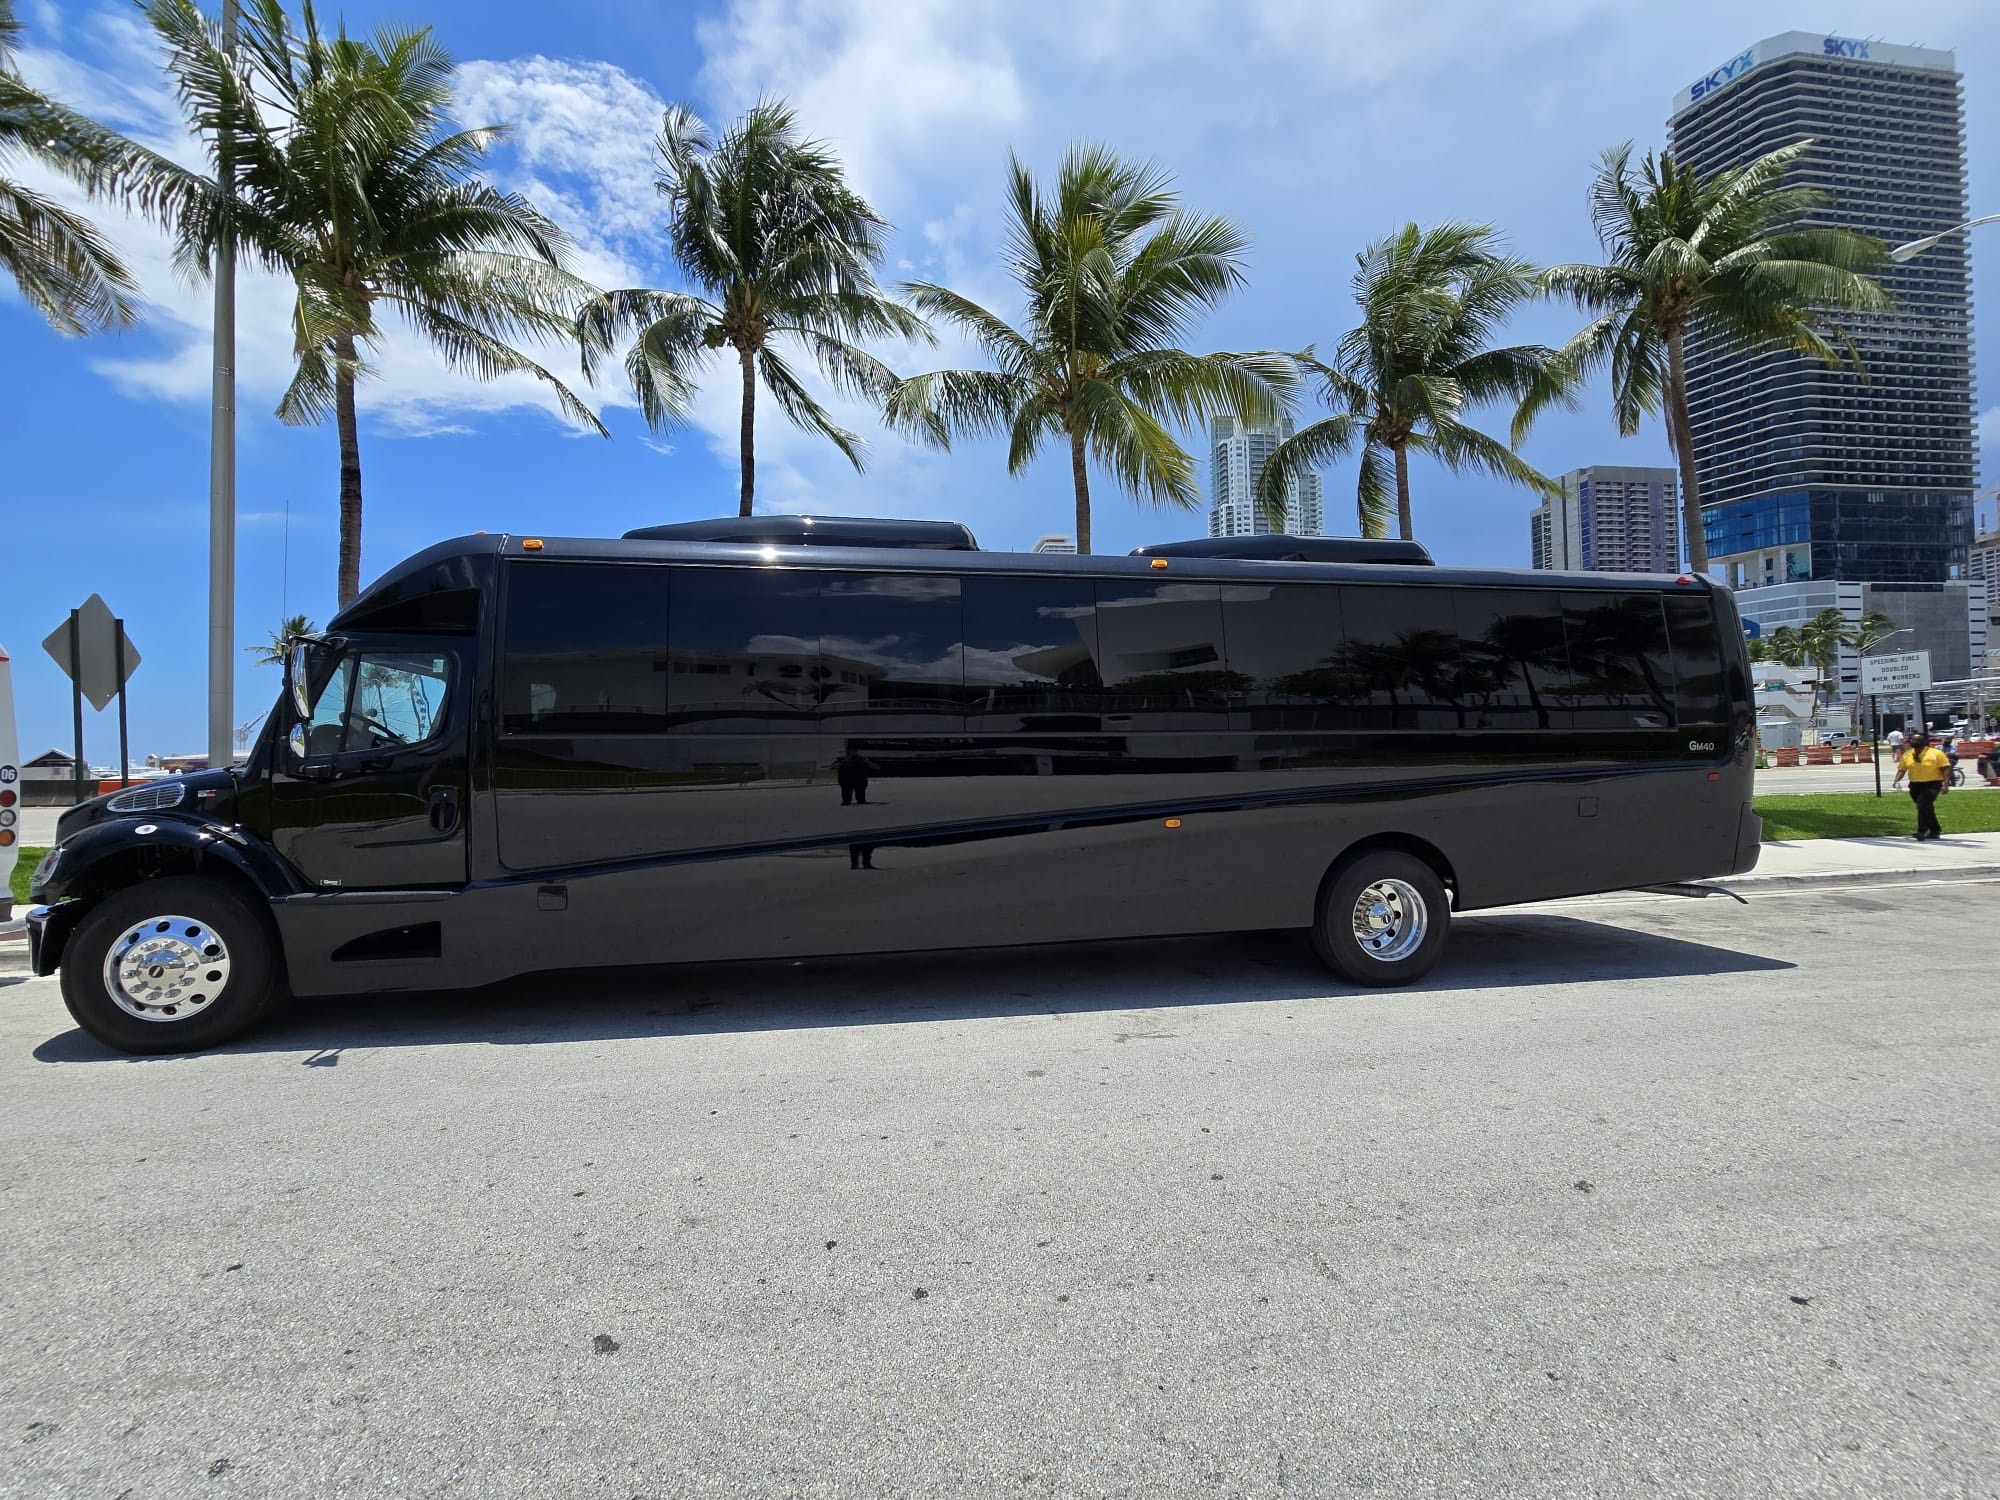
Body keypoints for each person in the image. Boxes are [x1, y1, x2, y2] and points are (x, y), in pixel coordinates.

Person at [1891, 730, 1951, 841]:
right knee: (1926, 808)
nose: (1914, 741)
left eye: (1917, 740)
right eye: (1912, 739)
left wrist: (1945, 784)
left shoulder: (1936, 753)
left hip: (1932, 784)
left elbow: (1946, 768)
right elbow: (1902, 769)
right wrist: (1896, 781)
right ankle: (1935, 831)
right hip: (1915, 785)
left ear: (1924, 741)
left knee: (1922, 806)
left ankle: (1921, 831)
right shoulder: (1907, 754)